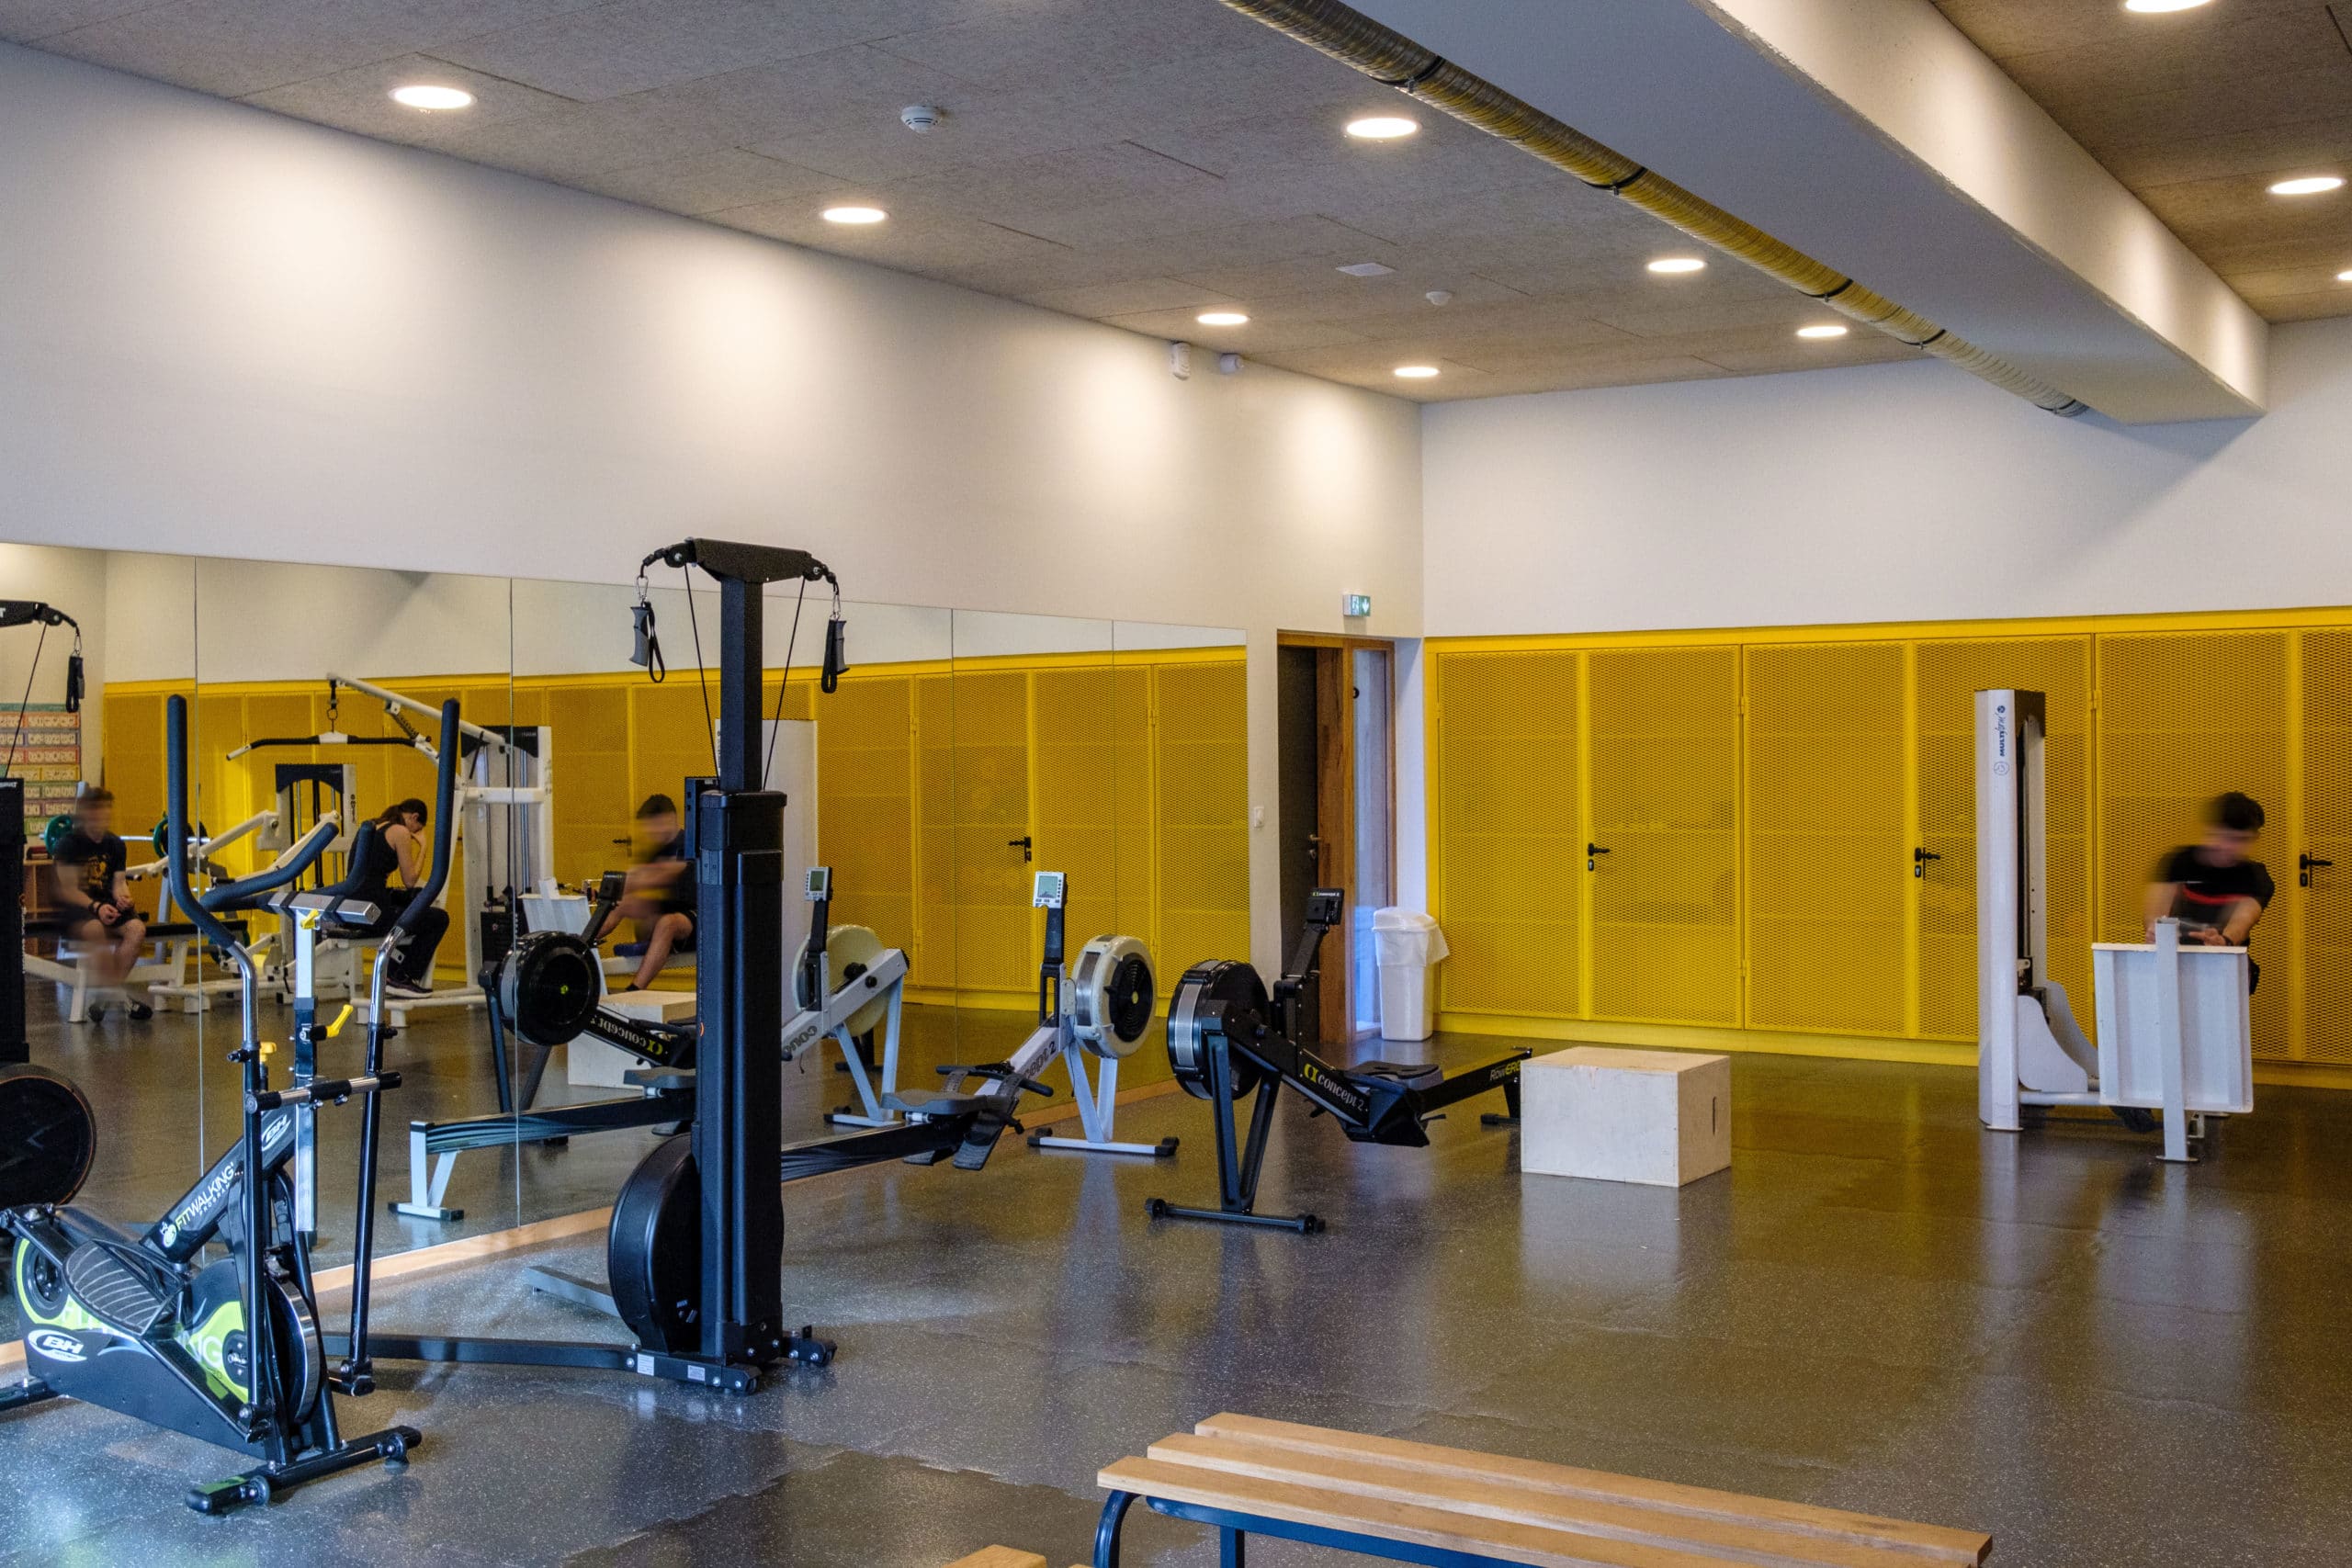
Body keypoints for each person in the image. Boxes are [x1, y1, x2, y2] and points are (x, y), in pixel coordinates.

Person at [2145, 791, 2273, 992]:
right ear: (2208, 830)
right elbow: (2155, 914)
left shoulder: (2256, 877)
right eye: (2223, 836)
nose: (2228, 847)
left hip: (2223, 963)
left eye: (2239, 840)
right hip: (2171, 959)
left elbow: (2243, 921)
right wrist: (2154, 931)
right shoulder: (2178, 863)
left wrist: (2224, 941)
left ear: (2253, 839)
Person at [51, 785, 151, 1017]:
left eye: (105, 809)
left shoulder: (115, 844)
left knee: (137, 929)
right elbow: (68, 889)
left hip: (105, 904)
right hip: (77, 906)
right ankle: (117, 995)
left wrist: (124, 898)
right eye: (96, 809)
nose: (101, 814)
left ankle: (106, 994)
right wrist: (96, 907)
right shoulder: (68, 844)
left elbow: (118, 883)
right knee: (95, 928)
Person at [349, 796, 450, 998]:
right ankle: (402, 976)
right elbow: (410, 880)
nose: (413, 835)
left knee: (413, 906)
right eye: (416, 830)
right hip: (373, 912)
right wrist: (423, 847)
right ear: (414, 817)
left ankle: (393, 975)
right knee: (438, 918)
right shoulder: (400, 831)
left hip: (354, 906)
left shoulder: (374, 825)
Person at [595, 793, 695, 992]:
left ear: (670, 819)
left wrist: (614, 887)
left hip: (699, 920)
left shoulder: (689, 846)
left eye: (654, 826)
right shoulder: (659, 851)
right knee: (624, 903)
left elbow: (660, 874)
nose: (650, 833)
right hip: (670, 913)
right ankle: (580, 944)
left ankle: (634, 990)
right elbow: (639, 875)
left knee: (668, 922)